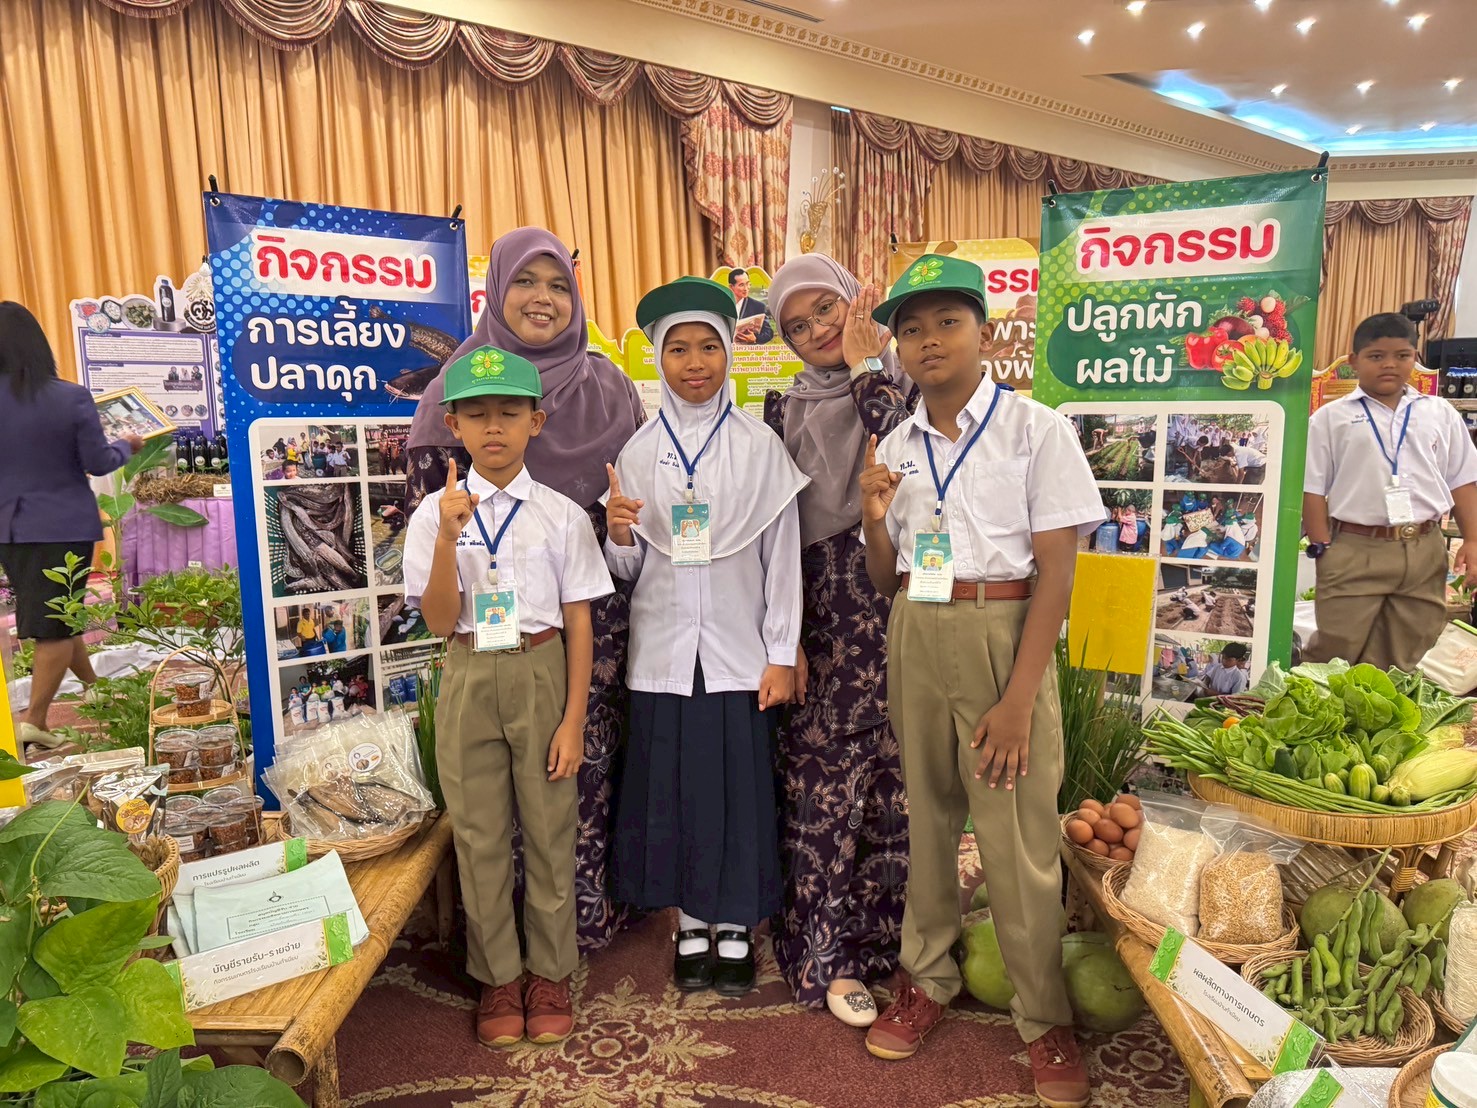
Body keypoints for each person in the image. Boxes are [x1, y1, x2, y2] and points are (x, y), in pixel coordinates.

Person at [856, 255, 1103, 1108]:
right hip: (915, 630)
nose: (927, 340)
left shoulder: (1037, 431)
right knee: (927, 817)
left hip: (1004, 630)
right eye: (910, 329)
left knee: (1017, 837)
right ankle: (926, 977)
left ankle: (1043, 1016)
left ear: (985, 333)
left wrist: (1018, 698)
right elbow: (885, 578)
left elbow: (1057, 575)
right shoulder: (896, 445)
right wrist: (872, 521)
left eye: (946, 322)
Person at [406, 228, 645, 949]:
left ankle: (571, 936)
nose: (543, 299)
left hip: (587, 629)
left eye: (559, 285)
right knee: (486, 812)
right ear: (496, 291)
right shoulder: (450, 388)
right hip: (481, 641)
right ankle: (498, 955)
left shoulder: (609, 386)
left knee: (572, 788)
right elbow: (435, 558)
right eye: (525, 282)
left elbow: (633, 509)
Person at [403, 344, 612, 1047]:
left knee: (551, 829)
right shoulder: (433, 515)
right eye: (476, 415)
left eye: (509, 413)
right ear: (453, 426)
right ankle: (497, 975)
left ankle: (549, 971)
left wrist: (573, 720)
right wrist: (447, 540)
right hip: (468, 672)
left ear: (535, 422)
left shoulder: (561, 515)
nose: (493, 427)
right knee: (479, 832)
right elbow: (439, 622)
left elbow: (579, 620)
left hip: (541, 669)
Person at [605, 277, 807, 998]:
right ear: (660, 360)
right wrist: (617, 534)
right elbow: (629, 570)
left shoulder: (759, 447)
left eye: (708, 348)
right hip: (662, 655)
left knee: (738, 794)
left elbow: (782, 559)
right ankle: (691, 921)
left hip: (737, 655)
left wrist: (780, 652)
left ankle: (735, 924)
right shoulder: (635, 452)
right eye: (679, 350)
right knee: (674, 795)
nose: (695, 364)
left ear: (728, 353)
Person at [764, 254, 913, 1025]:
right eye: (797, 325)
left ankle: (886, 945)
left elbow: (905, 447)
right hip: (824, 619)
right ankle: (822, 954)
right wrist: (782, 639)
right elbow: (772, 537)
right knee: (823, 792)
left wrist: (865, 366)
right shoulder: (781, 412)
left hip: (908, 608)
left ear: (856, 300)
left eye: (826, 308)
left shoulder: (906, 384)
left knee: (897, 789)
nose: (817, 329)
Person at [0, 302, 143, 749]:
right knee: (55, 621)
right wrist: (127, 444)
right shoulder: (69, 397)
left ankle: (92, 686)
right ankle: (35, 720)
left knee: (57, 611)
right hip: (62, 525)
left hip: (9, 526)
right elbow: (98, 462)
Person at [1305, 312, 1477, 671]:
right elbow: (1312, 488)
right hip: (1355, 547)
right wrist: (1322, 548)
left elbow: (1462, 479)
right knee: (1336, 648)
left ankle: (1376, 703)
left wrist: (1473, 539)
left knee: (1407, 645)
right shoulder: (1330, 418)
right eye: (1376, 356)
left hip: (1425, 547)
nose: (1389, 365)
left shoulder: (1439, 412)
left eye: (1402, 355)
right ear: (1354, 361)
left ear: (1415, 357)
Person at [728, 268, 774, 345]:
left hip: (748, 350)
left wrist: (755, 338)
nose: (746, 288)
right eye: (741, 285)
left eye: (748, 284)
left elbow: (768, 333)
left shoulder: (757, 306)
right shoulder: (722, 306)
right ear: (731, 286)